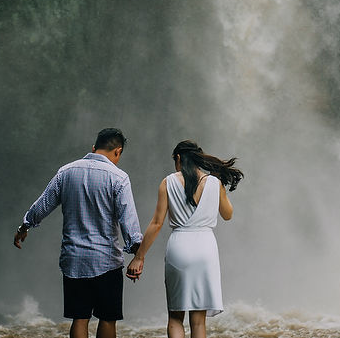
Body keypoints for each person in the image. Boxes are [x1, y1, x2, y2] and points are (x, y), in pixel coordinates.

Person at [14, 128, 143, 338]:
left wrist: (24, 227)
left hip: (74, 260)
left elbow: (42, 205)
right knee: (107, 318)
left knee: (80, 318)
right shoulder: (119, 178)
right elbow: (129, 222)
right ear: (118, 151)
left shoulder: (66, 172)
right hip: (107, 261)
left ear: (93, 148)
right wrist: (137, 256)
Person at [125, 140, 243, 338]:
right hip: (206, 249)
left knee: (175, 317)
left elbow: (156, 223)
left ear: (178, 158)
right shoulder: (214, 183)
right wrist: (219, 186)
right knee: (198, 321)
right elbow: (228, 214)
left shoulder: (168, 182)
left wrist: (139, 256)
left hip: (179, 247)